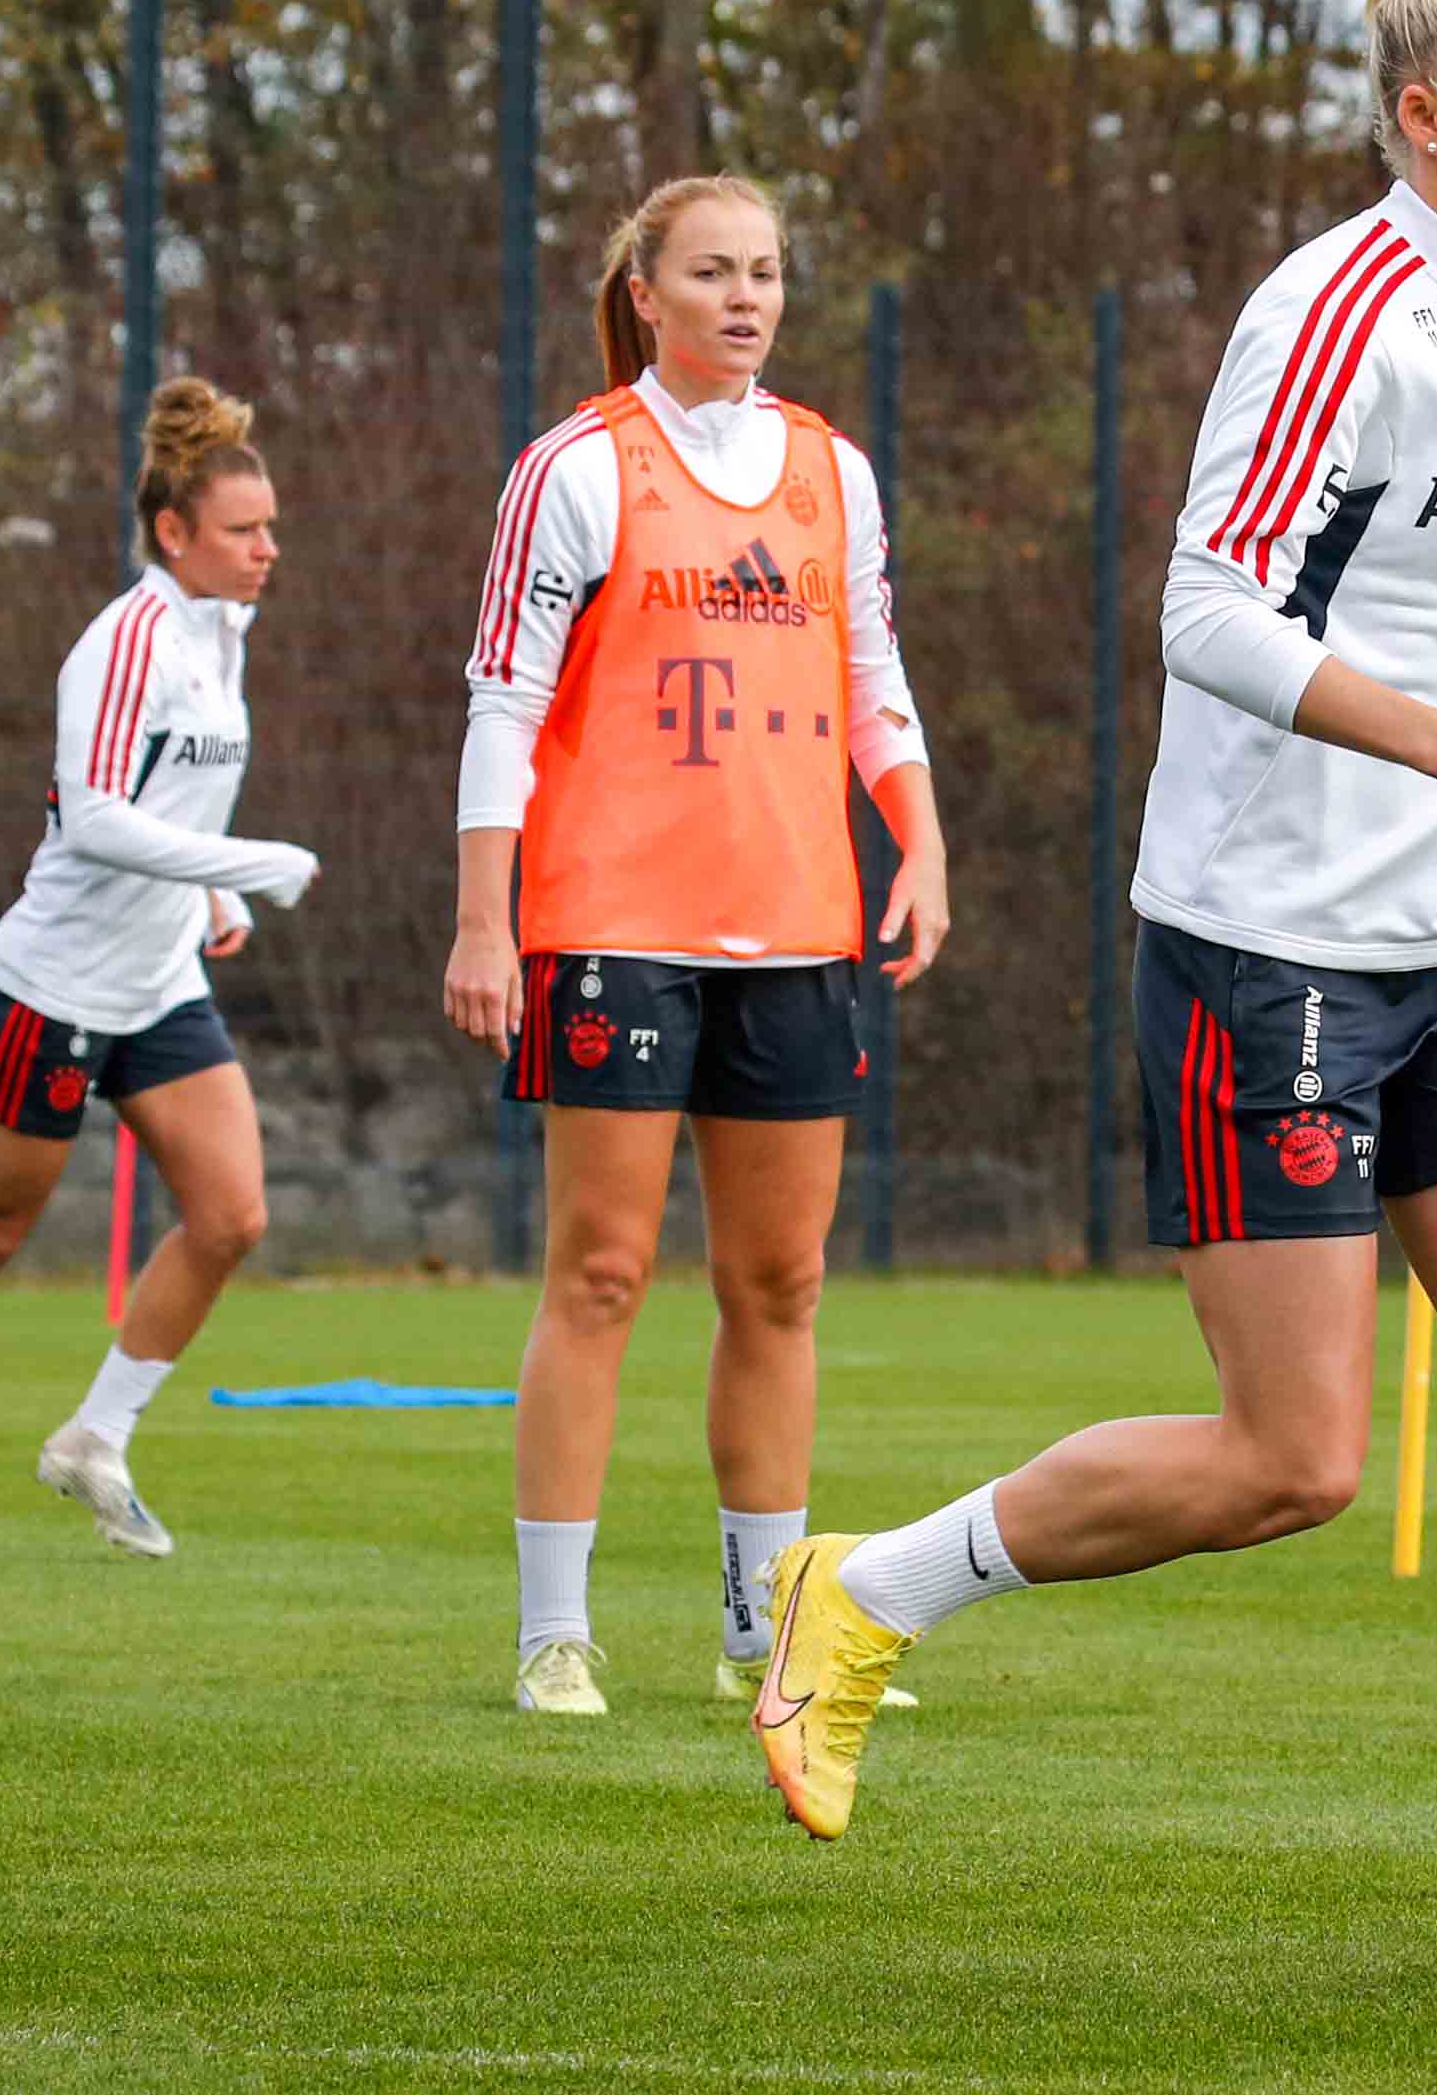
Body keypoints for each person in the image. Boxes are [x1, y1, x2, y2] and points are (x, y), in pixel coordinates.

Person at [743, 0, 1437, 1982]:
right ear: (1422, 115)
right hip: (1273, 947)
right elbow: (1207, 611)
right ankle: (867, 1588)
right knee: (1291, 1459)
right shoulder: (1331, 306)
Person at [445, 175, 950, 1719]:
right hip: (612, 924)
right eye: (714, 273)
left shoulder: (832, 472)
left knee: (780, 1283)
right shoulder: (579, 465)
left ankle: (767, 1628)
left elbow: (872, 676)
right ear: (646, 292)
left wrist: (918, 838)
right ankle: (553, 1631)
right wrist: (486, 916)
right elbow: (504, 700)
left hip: (799, 928)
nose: (745, 298)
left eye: (768, 274)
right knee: (599, 1273)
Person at [0, 378, 314, 1562]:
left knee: (232, 1213)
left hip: (157, 987)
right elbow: (91, 816)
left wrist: (211, 893)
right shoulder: (124, 637)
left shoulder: (223, 632)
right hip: (50, 988)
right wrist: (249, 857)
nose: (266, 550)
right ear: (173, 534)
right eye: (244, 532)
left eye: (270, 527)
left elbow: (170, 795)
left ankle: (97, 1435)